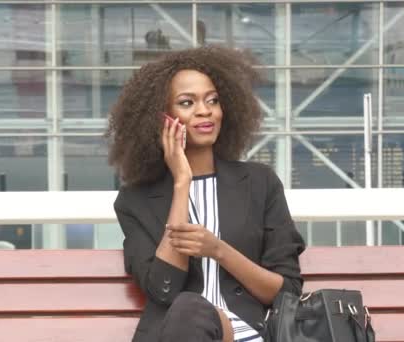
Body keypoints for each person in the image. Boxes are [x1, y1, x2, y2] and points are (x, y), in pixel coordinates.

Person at [107, 45, 305, 342]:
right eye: (187, 102)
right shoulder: (135, 201)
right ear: (161, 118)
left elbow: (286, 291)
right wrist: (182, 182)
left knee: (191, 309)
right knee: (188, 307)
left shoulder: (259, 183)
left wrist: (218, 250)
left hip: (250, 331)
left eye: (212, 100)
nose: (205, 110)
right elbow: (164, 290)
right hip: (177, 332)